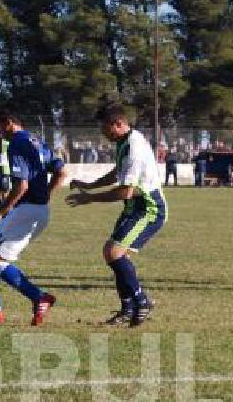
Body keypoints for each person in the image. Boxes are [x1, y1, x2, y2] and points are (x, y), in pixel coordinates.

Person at [66, 103, 166, 327]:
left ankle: (141, 301)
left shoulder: (134, 149)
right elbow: (117, 174)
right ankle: (128, 308)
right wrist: (89, 186)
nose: (103, 134)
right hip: (134, 207)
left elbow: (125, 190)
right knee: (115, 254)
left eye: (105, 128)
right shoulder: (125, 141)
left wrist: (89, 198)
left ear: (118, 124)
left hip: (148, 208)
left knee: (113, 252)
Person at [0, 108, 67, 326]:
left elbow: (21, 185)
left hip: (26, 209)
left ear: (8, 123)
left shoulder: (16, 143)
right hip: (38, 210)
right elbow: (61, 172)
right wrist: (45, 196)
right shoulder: (37, 141)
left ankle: (38, 297)